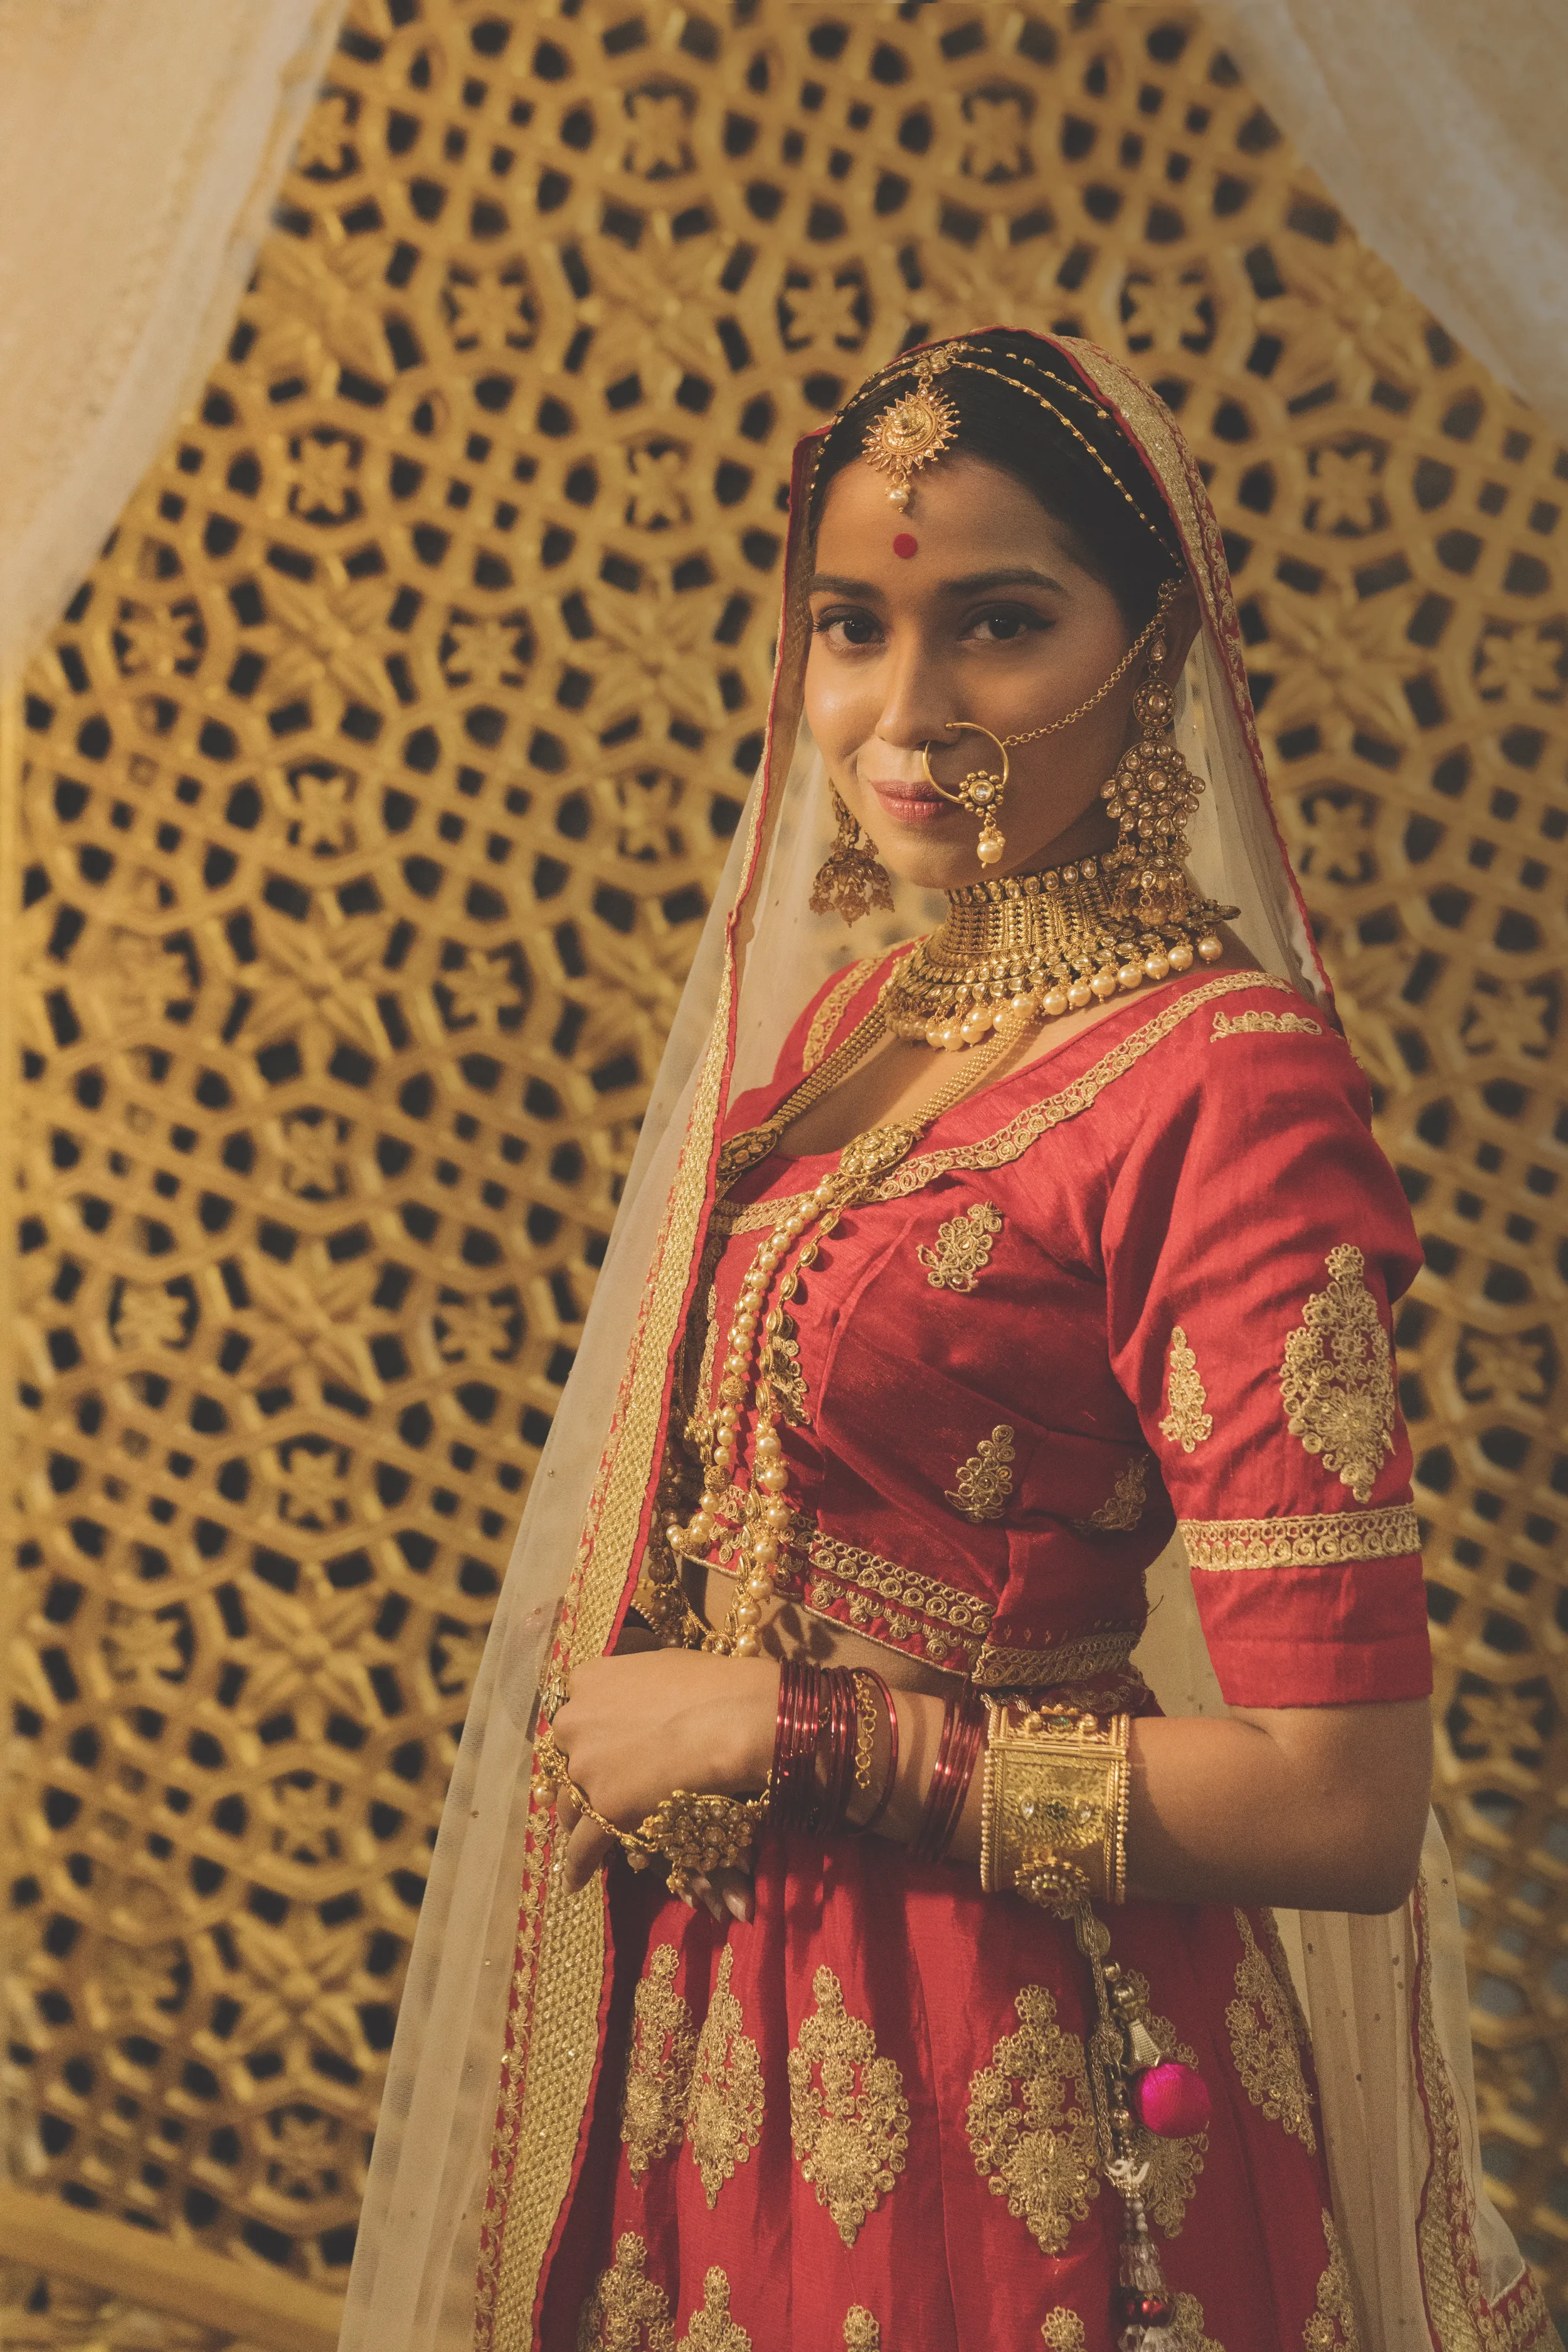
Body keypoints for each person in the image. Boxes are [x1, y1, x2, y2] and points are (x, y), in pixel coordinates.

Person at [340, 331, 1559, 2352]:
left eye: (993, 622)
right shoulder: (853, 1039)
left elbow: (1341, 1798)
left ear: (1148, 646)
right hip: (726, 2007)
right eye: (848, 625)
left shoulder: (1222, 1087)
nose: (901, 714)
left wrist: (808, 1731)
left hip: (1023, 2074)